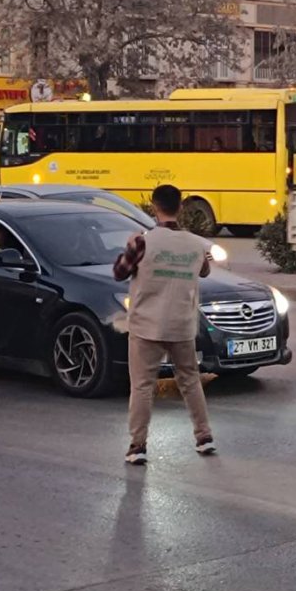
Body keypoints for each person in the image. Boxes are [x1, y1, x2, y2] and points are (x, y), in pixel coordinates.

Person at [113, 184, 216, 465]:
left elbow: (119, 273)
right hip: (181, 325)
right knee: (190, 381)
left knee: (143, 386)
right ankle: (204, 436)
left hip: (147, 325)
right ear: (180, 207)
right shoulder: (196, 245)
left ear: (153, 207)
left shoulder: (141, 242)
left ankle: (137, 446)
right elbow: (204, 270)